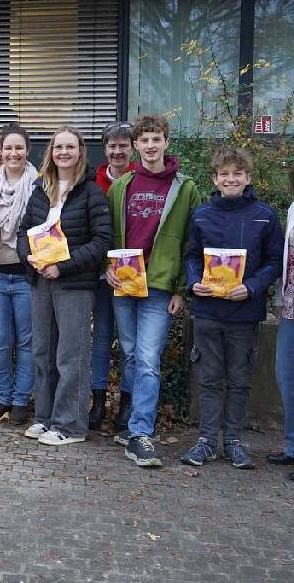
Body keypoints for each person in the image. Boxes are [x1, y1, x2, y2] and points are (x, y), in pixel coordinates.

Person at [105, 114, 200, 467]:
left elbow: (193, 242)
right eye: (143, 140)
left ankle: (141, 432)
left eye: (155, 139)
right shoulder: (121, 186)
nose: (149, 146)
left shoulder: (185, 187)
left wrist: (181, 290)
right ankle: (131, 425)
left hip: (160, 286)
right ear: (135, 146)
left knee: (147, 358)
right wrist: (107, 268)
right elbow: (108, 237)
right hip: (125, 283)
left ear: (166, 142)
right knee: (130, 354)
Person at [180, 147, 283, 469]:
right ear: (215, 179)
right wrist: (194, 280)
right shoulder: (201, 214)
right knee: (209, 379)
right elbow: (192, 255)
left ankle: (234, 441)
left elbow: (274, 262)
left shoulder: (265, 215)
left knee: (239, 379)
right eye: (224, 174)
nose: (231, 179)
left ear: (248, 177)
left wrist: (251, 287)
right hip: (208, 311)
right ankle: (207, 441)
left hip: (244, 313)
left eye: (237, 173)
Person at [17, 126, 111, 446]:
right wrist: (29, 257)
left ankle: (70, 425)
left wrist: (64, 267)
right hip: (40, 280)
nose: (63, 153)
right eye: (58, 147)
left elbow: (102, 242)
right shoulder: (40, 188)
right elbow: (23, 233)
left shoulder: (91, 191)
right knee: (42, 352)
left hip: (74, 284)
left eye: (70, 147)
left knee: (71, 355)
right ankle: (45, 418)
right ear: (50, 152)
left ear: (81, 152)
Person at [0, 123, 39, 425]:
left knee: (27, 341)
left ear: (27, 150)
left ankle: (20, 401)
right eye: (8, 148)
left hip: (27, 276)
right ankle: (2, 396)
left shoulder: (41, 185)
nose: (13, 153)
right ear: (0, 152)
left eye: (19, 147)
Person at [91, 121, 135, 431]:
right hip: (100, 275)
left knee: (130, 343)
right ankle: (97, 402)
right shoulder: (93, 182)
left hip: (134, 276)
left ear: (131, 149)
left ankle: (127, 405)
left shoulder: (141, 180)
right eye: (112, 146)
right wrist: (100, 266)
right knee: (101, 339)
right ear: (105, 150)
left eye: (123, 145)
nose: (117, 151)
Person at [269, 175, 294, 479]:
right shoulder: (292, 208)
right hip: (290, 307)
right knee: (285, 376)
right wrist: (278, 297)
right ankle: (291, 446)